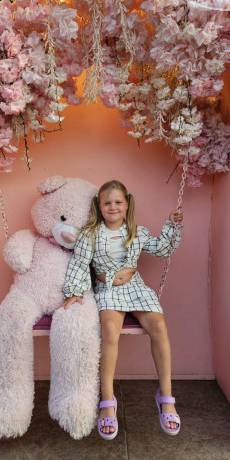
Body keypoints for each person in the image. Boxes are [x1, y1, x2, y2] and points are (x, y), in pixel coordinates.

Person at [62, 180, 183, 440]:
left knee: (159, 326)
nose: (113, 207)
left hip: (135, 288)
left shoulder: (136, 232)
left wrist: (172, 225)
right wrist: (74, 292)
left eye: (118, 202)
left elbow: (163, 249)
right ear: (99, 206)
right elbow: (80, 264)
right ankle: (107, 400)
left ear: (127, 204)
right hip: (108, 290)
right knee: (109, 330)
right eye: (107, 203)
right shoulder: (90, 234)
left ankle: (166, 396)